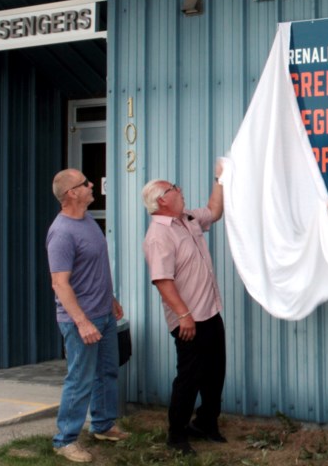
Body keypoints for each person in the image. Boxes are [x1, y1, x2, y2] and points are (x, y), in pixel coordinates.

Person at [142, 163, 226, 456]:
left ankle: (205, 423)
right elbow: (163, 280)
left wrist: (220, 178)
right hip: (188, 319)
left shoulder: (187, 219)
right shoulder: (158, 235)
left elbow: (214, 211)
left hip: (210, 312)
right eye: (174, 188)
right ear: (162, 199)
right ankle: (177, 435)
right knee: (189, 377)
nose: (180, 191)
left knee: (215, 374)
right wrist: (183, 315)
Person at [46, 169, 130, 463]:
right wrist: (82, 322)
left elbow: (94, 267)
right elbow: (60, 283)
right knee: (80, 380)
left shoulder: (88, 221)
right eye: (85, 183)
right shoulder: (61, 233)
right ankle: (65, 440)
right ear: (71, 193)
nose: (92, 185)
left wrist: (111, 298)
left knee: (107, 372)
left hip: (103, 314)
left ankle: (103, 425)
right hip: (80, 320)